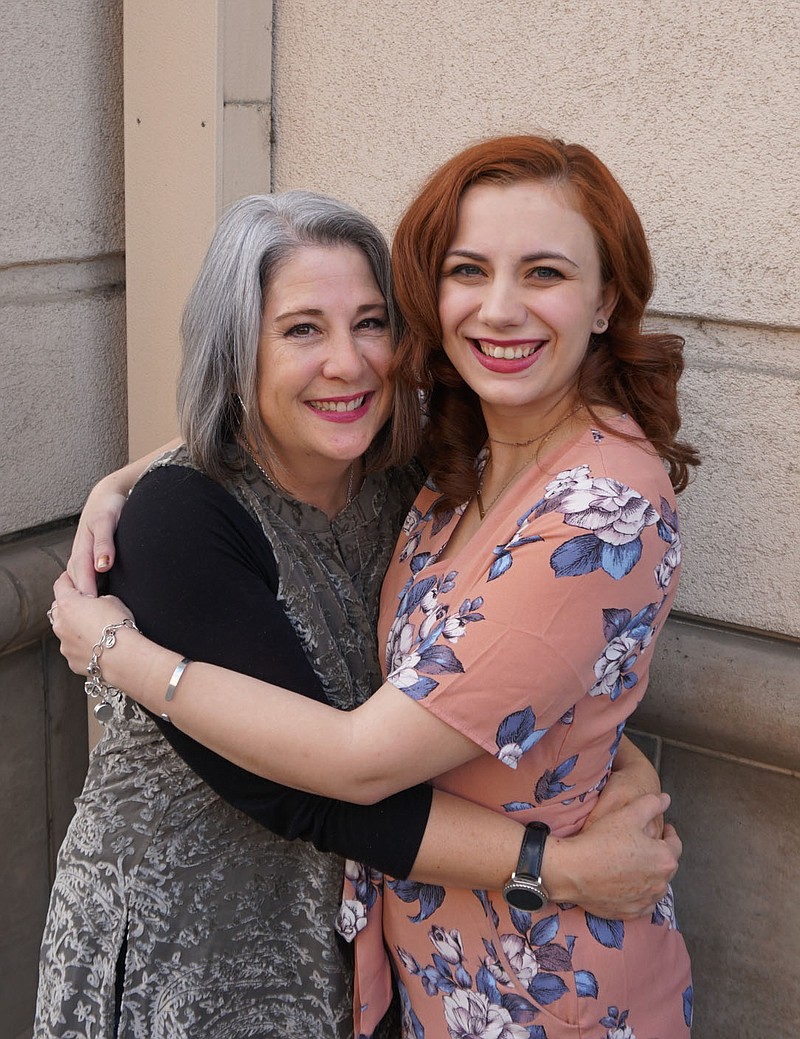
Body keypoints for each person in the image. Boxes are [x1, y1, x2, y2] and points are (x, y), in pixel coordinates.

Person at [49, 136, 695, 1039]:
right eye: (302, 328)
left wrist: (115, 648)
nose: (348, 362)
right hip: (191, 952)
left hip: (497, 983)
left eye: (369, 323)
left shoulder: (471, 485)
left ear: (606, 299)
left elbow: (370, 754)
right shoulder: (200, 521)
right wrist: (119, 491)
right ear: (239, 350)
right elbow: (297, 788)